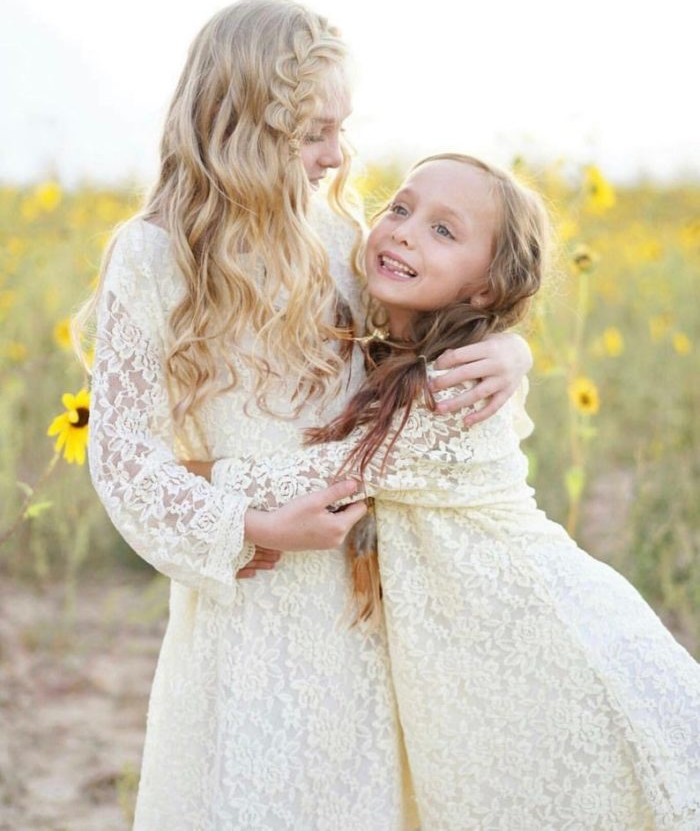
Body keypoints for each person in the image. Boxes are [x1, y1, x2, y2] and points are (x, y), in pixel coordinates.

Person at [79, 0, 531, 829]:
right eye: (313, 132)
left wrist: (508, 350)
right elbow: (124, 459)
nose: (337, 154)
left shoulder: (339, 240)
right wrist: (251, 523)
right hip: (246, 599)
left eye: (342, 128)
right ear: (242, 127)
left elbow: (421, 359)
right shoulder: (152, 258)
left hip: (356, 598)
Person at [201, 154, 700, 830]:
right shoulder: (397, 351)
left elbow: (303, 477)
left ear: (487, 287)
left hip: (549, 646)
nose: (404, 232)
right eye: (400, 209)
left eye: (443, 231)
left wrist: (175, 473)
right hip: (479, 664)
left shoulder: (453, 388)